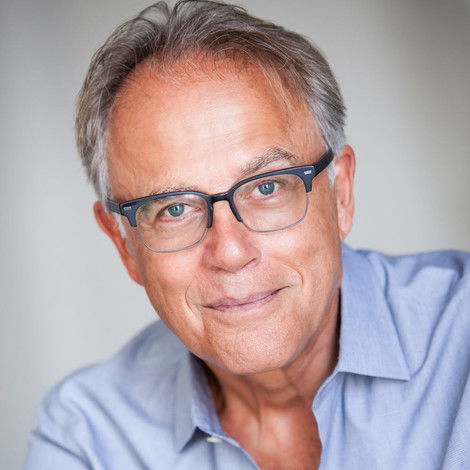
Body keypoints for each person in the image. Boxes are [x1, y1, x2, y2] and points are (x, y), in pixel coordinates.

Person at [25, 1, 469, 469]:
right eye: (174, 209)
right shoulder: (88, 437)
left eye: (267, 187)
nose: (231, 252)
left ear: (340, 193)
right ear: (124, 245)